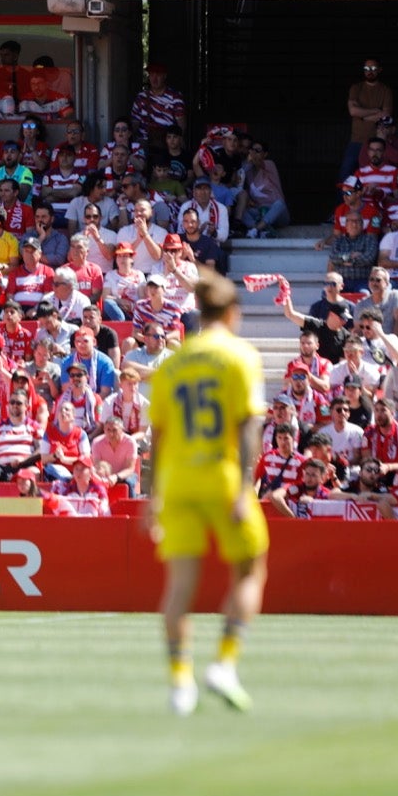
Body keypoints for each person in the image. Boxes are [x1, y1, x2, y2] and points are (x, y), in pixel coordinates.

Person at [147, 270, 268, 716]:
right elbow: (248, 426)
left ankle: (181, 685)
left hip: (178, 481)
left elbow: (156, 436)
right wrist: (245, 487)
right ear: (232, 313)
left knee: (179, 587)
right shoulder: (240, 356)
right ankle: (225, 663)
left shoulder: (174, 363)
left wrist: (151, 495)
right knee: (250, 571)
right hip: (221, 477)